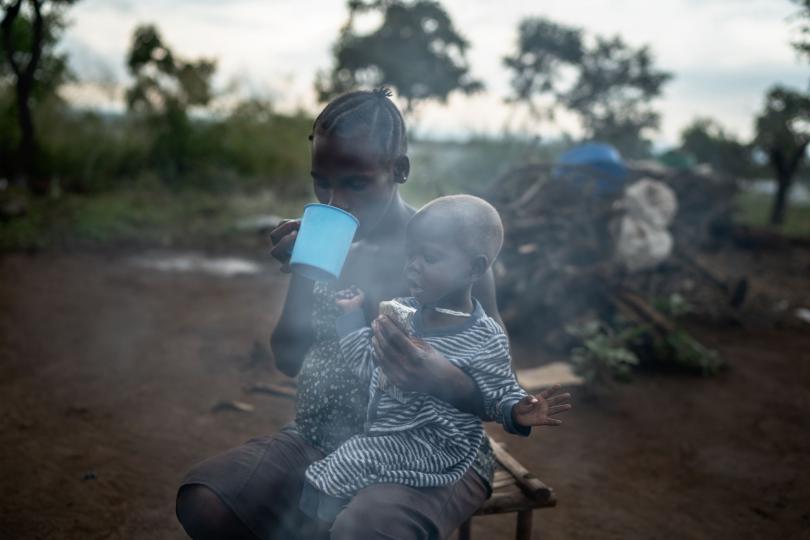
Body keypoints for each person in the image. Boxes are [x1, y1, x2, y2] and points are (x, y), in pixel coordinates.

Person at [175, 89, 551, 540]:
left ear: (399, 170)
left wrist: (442, 377)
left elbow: (498, 384)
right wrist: (308, 275)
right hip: (323, 435)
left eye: (355, 183)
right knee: (207, 501)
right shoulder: (324, 245)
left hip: (431, 452)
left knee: (363, 529)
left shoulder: (450, 257)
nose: (335, 202)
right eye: (322, 183)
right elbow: (288, 358)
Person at [299, 195, 572, 524]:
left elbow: (500, 389)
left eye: (428, 257)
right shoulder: (402, 315)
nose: (412, 266)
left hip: (438, 445)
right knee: (325, 478)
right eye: (410, 255)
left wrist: (517, 410)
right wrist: (352, 318)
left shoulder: (486, 337)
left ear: (474, 269)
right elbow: (368, 366)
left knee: (339, 473)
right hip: (388, 435)